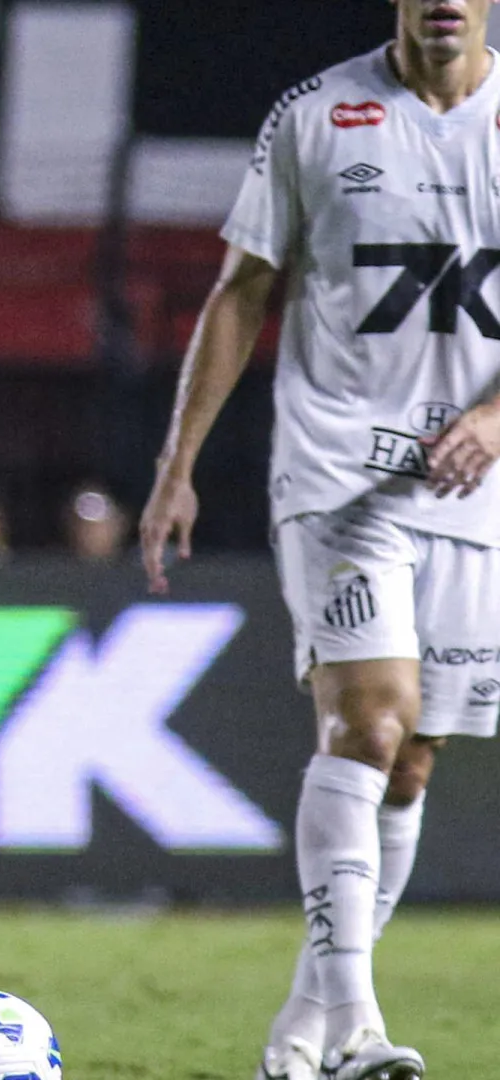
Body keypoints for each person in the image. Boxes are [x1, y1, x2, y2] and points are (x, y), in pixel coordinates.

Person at [141, 3, 500, 1078]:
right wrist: (176, 465)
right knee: (369, 722)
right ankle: (355, 1028)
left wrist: (495, 417)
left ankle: (302, 1028)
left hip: (473, 485)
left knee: (411, 762)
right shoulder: (315, 115)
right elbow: (241, 289)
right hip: (340, 470)